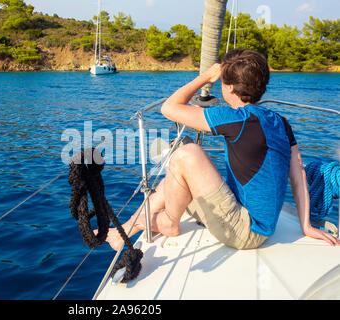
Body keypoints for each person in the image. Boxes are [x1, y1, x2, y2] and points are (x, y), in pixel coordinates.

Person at [100, 48, 340, 251]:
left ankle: (166, 222)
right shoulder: (279, 121)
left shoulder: (234, 118)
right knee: (174, 177)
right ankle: (125, 229)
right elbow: (298, 175)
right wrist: (306, 225)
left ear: (230, 88)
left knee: (186, 153)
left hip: (246, 232)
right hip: (257, 222)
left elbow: (169, 107)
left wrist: (205, 77)